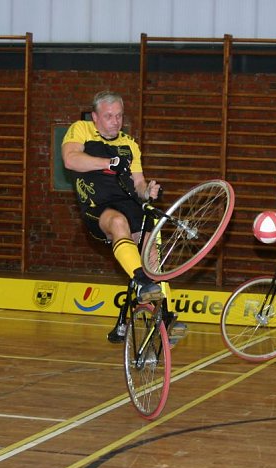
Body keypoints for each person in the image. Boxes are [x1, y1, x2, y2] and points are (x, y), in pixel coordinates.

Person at [62, 90, 185, 344]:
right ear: (95, 117)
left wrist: (147, 191)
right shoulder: (81, 129)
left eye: (119, 116)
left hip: (130, 204)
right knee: (118, 223)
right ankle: (141, 282)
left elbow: (138, 183)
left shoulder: (130, 143)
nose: (115, 121)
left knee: (153, 250)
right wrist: (108, 163)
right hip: (98, 207)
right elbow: (71, 160)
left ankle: (165, 315)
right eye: (109, 116)